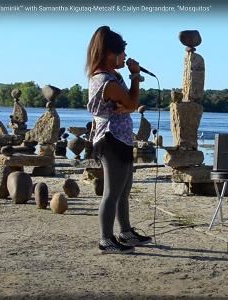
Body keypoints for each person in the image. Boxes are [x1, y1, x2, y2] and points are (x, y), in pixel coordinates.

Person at [86, 26, 152, 254]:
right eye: (122, 53)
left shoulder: (114, 77)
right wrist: (135, 76)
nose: (125, 57)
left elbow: (128, 105)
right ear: (109, 54)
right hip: (111, 139)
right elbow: (132, 104)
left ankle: (125, 232)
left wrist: (127, 104)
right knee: (112, 192)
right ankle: (106, 239)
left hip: (121, 138)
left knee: (124, 190)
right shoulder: (106, 81)